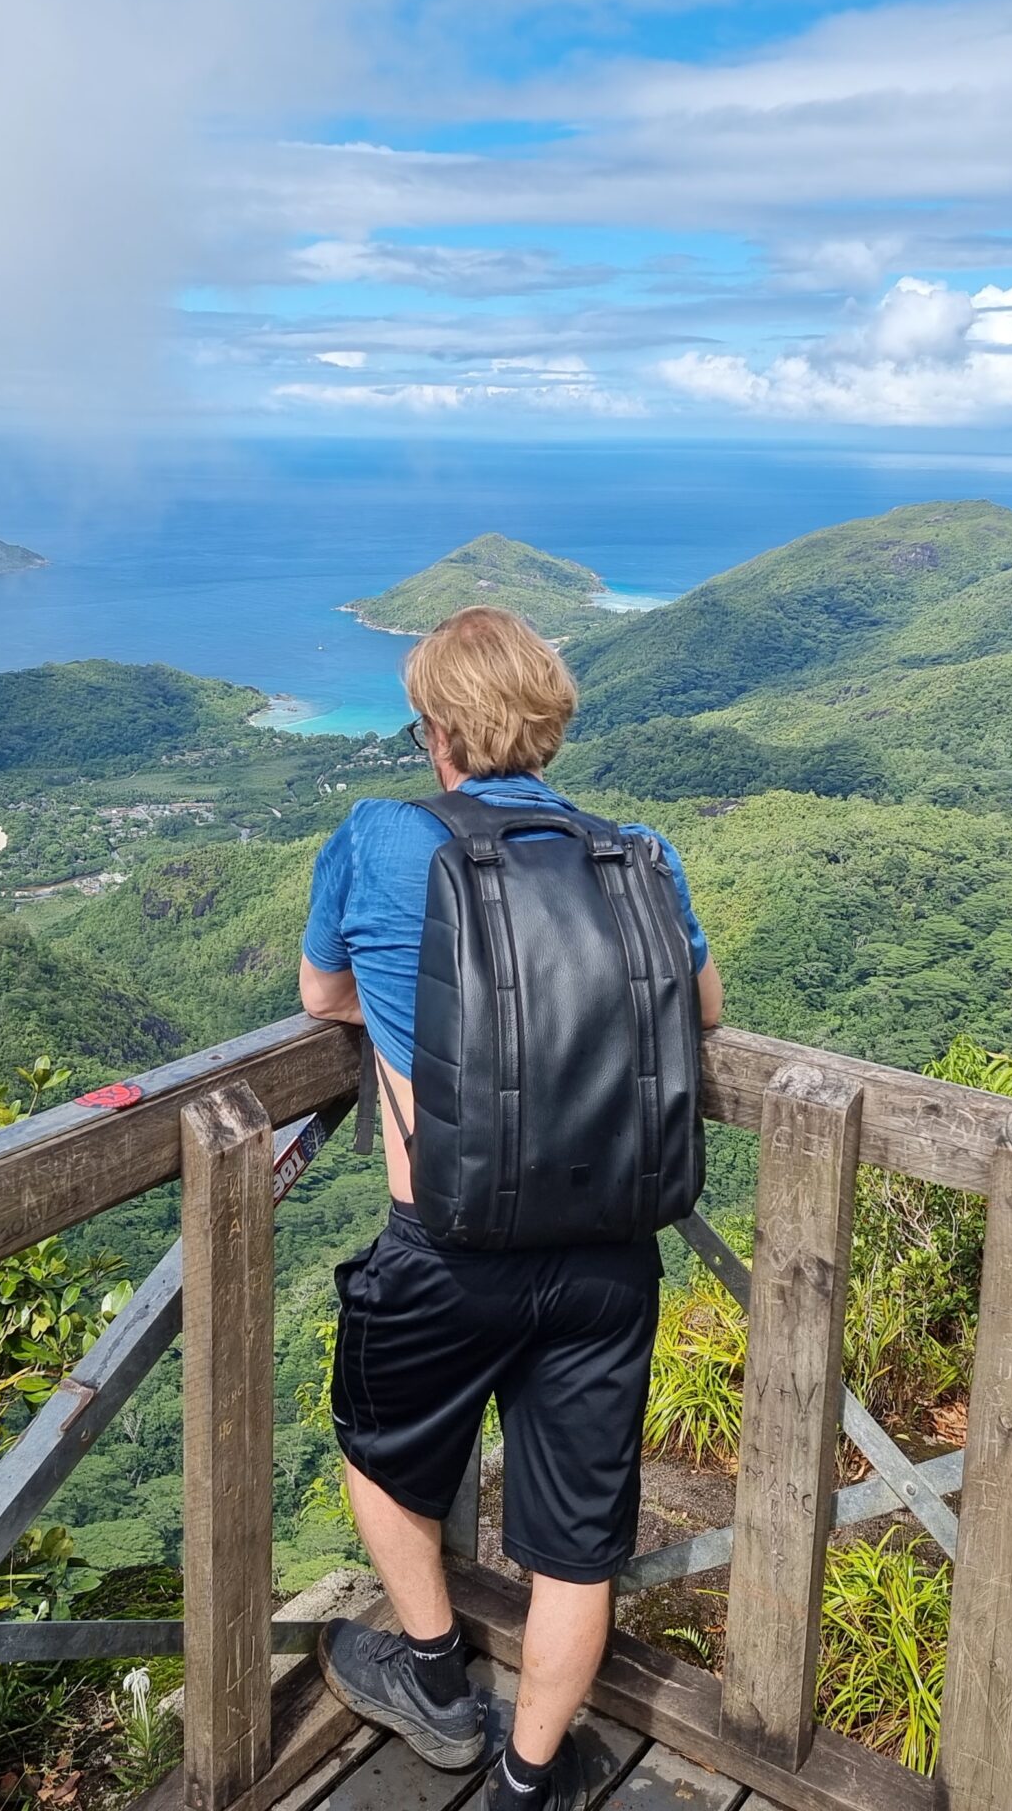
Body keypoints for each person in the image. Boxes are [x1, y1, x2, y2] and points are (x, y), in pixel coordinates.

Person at [297, 606, 722, 1811]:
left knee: (382, 1455)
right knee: (575, 1544)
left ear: (432, 730)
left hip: (446, 1245)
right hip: (607, 1250)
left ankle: (432, 1679)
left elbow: (322, 989)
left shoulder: (379, 840)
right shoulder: (635, 852)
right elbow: (704, 1012)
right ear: (550, 728)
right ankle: (532, 1782)